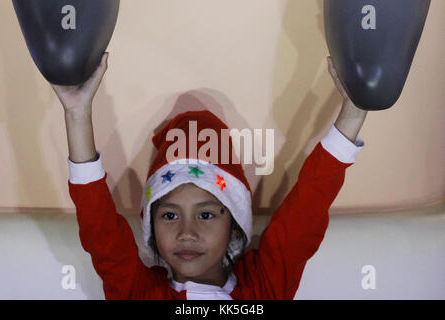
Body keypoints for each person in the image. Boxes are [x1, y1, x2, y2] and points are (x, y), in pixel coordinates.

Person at [51, 52, 367, 299]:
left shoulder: (262, 289)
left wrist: (353, 113)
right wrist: (77, 115)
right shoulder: (140, 293)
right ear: (151, 227)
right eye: (170, 216)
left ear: (233, 225)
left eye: (205, 214)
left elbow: (306, 212)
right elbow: (101, 233)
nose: (187, 232)